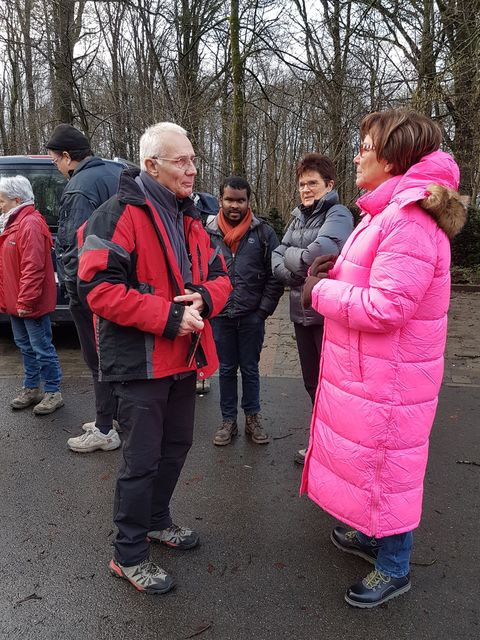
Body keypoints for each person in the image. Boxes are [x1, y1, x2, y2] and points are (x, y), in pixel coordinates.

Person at [300, 109, 467, 608]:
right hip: (372, 372)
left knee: (388, 468)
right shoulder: (384, 214)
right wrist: (337, 274)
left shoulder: (409, 220)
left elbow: (389, 307)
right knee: (371, 464)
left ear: (394, 159)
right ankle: (373, 535)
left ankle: (394, 566)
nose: (356, 155)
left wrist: (321, 292)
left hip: (391, 379)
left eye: (365, 147)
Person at [77, 122, 231, 594]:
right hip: (139, 364)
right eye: (181, 160)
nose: (192, 168)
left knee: (176, 447)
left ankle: (157, 520)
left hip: (183, 358)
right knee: (140, 461)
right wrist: (167, 316)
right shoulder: (117, 214)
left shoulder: (192, 217)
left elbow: (222, 275)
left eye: (192, 158)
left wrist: (203, 298)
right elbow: (97, 289)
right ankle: (128, 554)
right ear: (151, 165)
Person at [46, 124, 123, 453]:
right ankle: (112, 417)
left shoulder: (78, 187)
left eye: (54, 159)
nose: (55, 165)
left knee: (97, 359)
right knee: (113, 356)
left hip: (92, 290)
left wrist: (78, 293)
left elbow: (74, 244)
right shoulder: (114, 174)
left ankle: (105, 429)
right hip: (118, 285)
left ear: (67, 157)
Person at [272, 154, 353, 463]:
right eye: (302, 184)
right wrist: (301, 263)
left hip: (326, 314)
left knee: (331, 384)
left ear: (329, 184)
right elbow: (276, 260)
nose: (306, 189)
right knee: (311, 382)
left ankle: (337, 447)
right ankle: (321, 441)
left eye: (313, 183)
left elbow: (321, 254)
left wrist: (297, 261)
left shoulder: (338, 214)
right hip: (300, 313)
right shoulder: (297, 218)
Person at [206, 176, 284, 446]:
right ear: (221, 200)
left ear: (249, 201)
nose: (235, 205)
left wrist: (262, 311)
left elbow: (275, 275)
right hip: (220, 316)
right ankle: (228, 421)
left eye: (240, 200)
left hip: (252, 315)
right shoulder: (207, 233)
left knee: (250, 368)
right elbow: (198, 273)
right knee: (226, 369)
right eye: (229, 200)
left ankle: (252, 417)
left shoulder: (263, 233)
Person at [0, 176, 63, 415]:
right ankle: (31, 387)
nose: (0, 205)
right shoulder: (11, 223)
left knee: (41, 347)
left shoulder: (30, 224)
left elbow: (33, 268)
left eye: (2, 200)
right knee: (25, 346)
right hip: (16, 301)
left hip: (28, 302)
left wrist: (26, 300)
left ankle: (53, 391)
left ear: (17, 200)